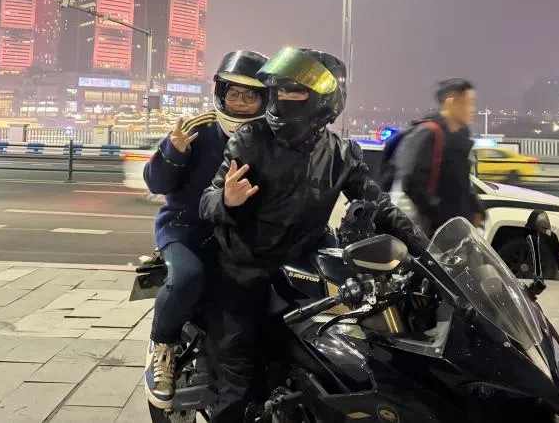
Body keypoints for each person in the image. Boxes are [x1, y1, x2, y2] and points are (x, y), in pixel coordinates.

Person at [199, 47, 428, 422]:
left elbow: (382, 207)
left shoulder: (342, 154)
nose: (283, 99)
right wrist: (226, 198)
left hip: (305, 276)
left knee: (339, 364)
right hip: (244, 273)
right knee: (238, 385)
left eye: (295, 92)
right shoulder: (251, 140)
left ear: (326, 99)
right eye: (279, 91)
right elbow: (206, 203)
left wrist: (429, 251)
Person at [143, 50, 268, 410]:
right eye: (234, 93)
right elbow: (156, 183)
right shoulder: (199, 130)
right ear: (221, 94)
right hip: (186, 229)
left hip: (238, 236)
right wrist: (173, 150)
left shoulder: (268, 137)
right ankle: (163, 345)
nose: (241, 103)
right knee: (187, 277)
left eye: (251, 95)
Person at [393, 78, 485, 236]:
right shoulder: (428, 133)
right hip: (430, 236)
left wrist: (476, 208)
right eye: (468, 103)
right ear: (451, 102)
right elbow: (411, 181)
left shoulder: (459, 138)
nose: (473, 109)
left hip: (453, 232)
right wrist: (439, 217)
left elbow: (460, 181)